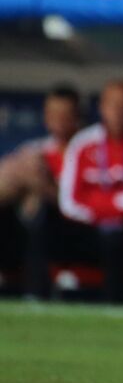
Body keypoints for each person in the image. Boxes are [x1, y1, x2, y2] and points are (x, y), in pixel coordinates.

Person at [55, 80, 123, 304]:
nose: (118, 112)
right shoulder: (83, 143)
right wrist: (106, 209)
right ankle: (35, 294)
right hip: (87, 229)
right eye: (112, 105)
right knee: (43, 220)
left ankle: (116, 303)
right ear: (102, 107)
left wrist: (94, 202)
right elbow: (68, 202)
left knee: (118, 238)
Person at [0, 85, 81, 298]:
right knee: (19, 174)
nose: (58, 120)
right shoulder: (35, 149)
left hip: (68, 228)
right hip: (19, 224)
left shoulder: (84, 150)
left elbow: (77, 204)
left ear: (77, 117)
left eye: (65, 115)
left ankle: (35, 290)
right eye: (53, 114)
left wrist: (42, 186)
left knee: (37, 198)